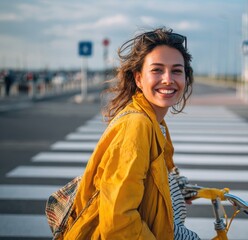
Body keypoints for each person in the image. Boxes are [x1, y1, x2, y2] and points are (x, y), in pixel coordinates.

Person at [62, 27, 200, 239]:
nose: (167, 79)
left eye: (176, 70)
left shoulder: (155, 120)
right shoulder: (137, 124)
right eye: (157, 70)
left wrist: (173, 191)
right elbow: (119, 221)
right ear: (138, 79)